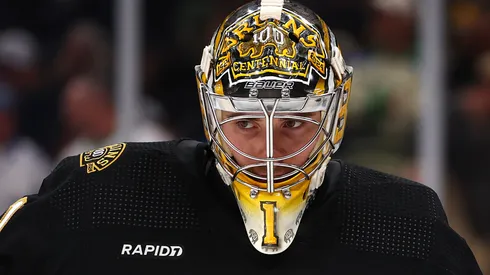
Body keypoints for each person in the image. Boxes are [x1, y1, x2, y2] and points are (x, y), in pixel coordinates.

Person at [0, 0, 483, 274]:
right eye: (246, 122)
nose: (267, 149)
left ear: (336, 110)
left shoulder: (405, 226)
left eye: (294, 122)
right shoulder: (108, 196)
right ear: (210, 111)